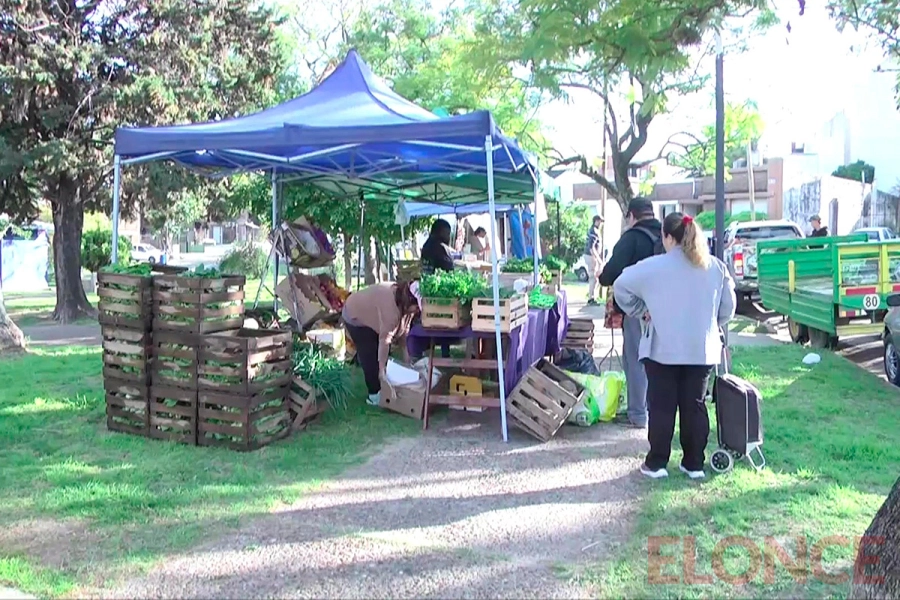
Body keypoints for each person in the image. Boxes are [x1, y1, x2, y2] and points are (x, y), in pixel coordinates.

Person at [613, 212, 736, 479]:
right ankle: (693, 464)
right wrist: (711, 322)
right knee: (695, 406)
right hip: (701, 348)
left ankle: (656, 463)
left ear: (667, 237)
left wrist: (640, 309)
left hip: (662, 348)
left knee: (661, 407)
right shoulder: (715, 267)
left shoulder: (653, 266)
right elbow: (729, 308)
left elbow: (620, 284)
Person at [598, 197, 663, 429]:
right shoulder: (668, 236)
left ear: (631, 216)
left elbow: (610, 273)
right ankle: (651, 408)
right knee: (658, 359)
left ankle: (637, 413)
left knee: (635, 358)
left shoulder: (631, 238)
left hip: (638, 308)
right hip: (667, 307)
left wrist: (603, 278)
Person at [342, 280, 421, 406]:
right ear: (409, 302)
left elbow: (404, 328)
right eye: (417, 307)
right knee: (370, 353)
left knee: (382, 352)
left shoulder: (404, 301)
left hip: (371, 312)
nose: (417, 311)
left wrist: (407, 356)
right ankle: (374, 395)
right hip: (355, 315)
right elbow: (385, 340)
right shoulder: (390, 309)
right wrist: (381, 370)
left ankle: (386, 385)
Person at [584, 215, 604, 305]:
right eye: (600, 221)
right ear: (596, 221)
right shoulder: (594, 231)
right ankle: (591, 298)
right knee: (594, 278)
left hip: (590, 255)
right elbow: (591, 247)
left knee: (595, 278)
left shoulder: (593, 230)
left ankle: (592, 296)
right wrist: (598, 259)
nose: (601, 224)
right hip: (591, 256)